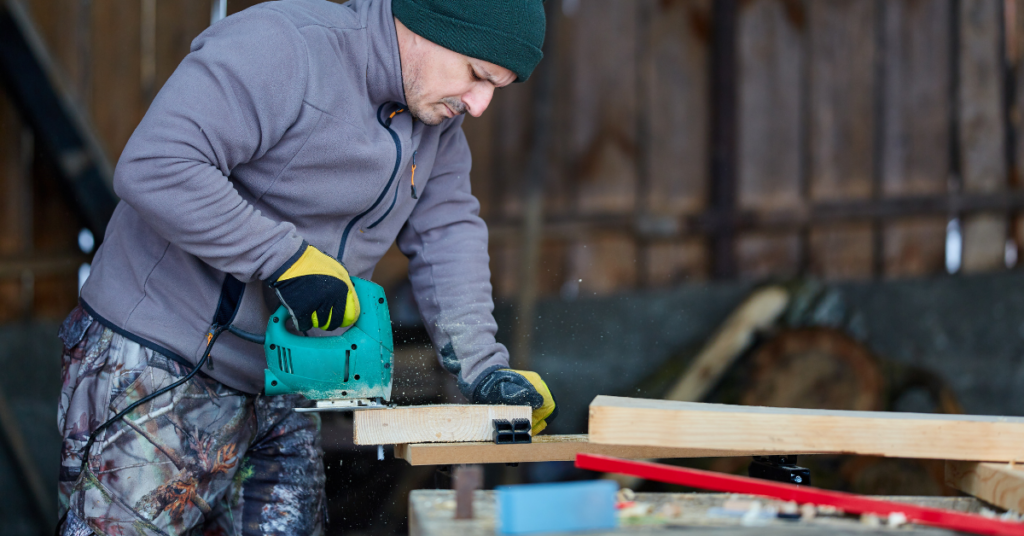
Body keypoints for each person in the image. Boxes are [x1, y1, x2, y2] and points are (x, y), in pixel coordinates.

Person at [56, 0, 556, 533]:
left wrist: (483, 369)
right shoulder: (284, 47)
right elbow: (158, 165)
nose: (480, 104)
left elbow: (446, 232)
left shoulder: (435, 119)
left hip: (283, 387)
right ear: (427, 25)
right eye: (477, 76)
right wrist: (286, 261)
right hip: (159, 364)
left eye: (495, 89)